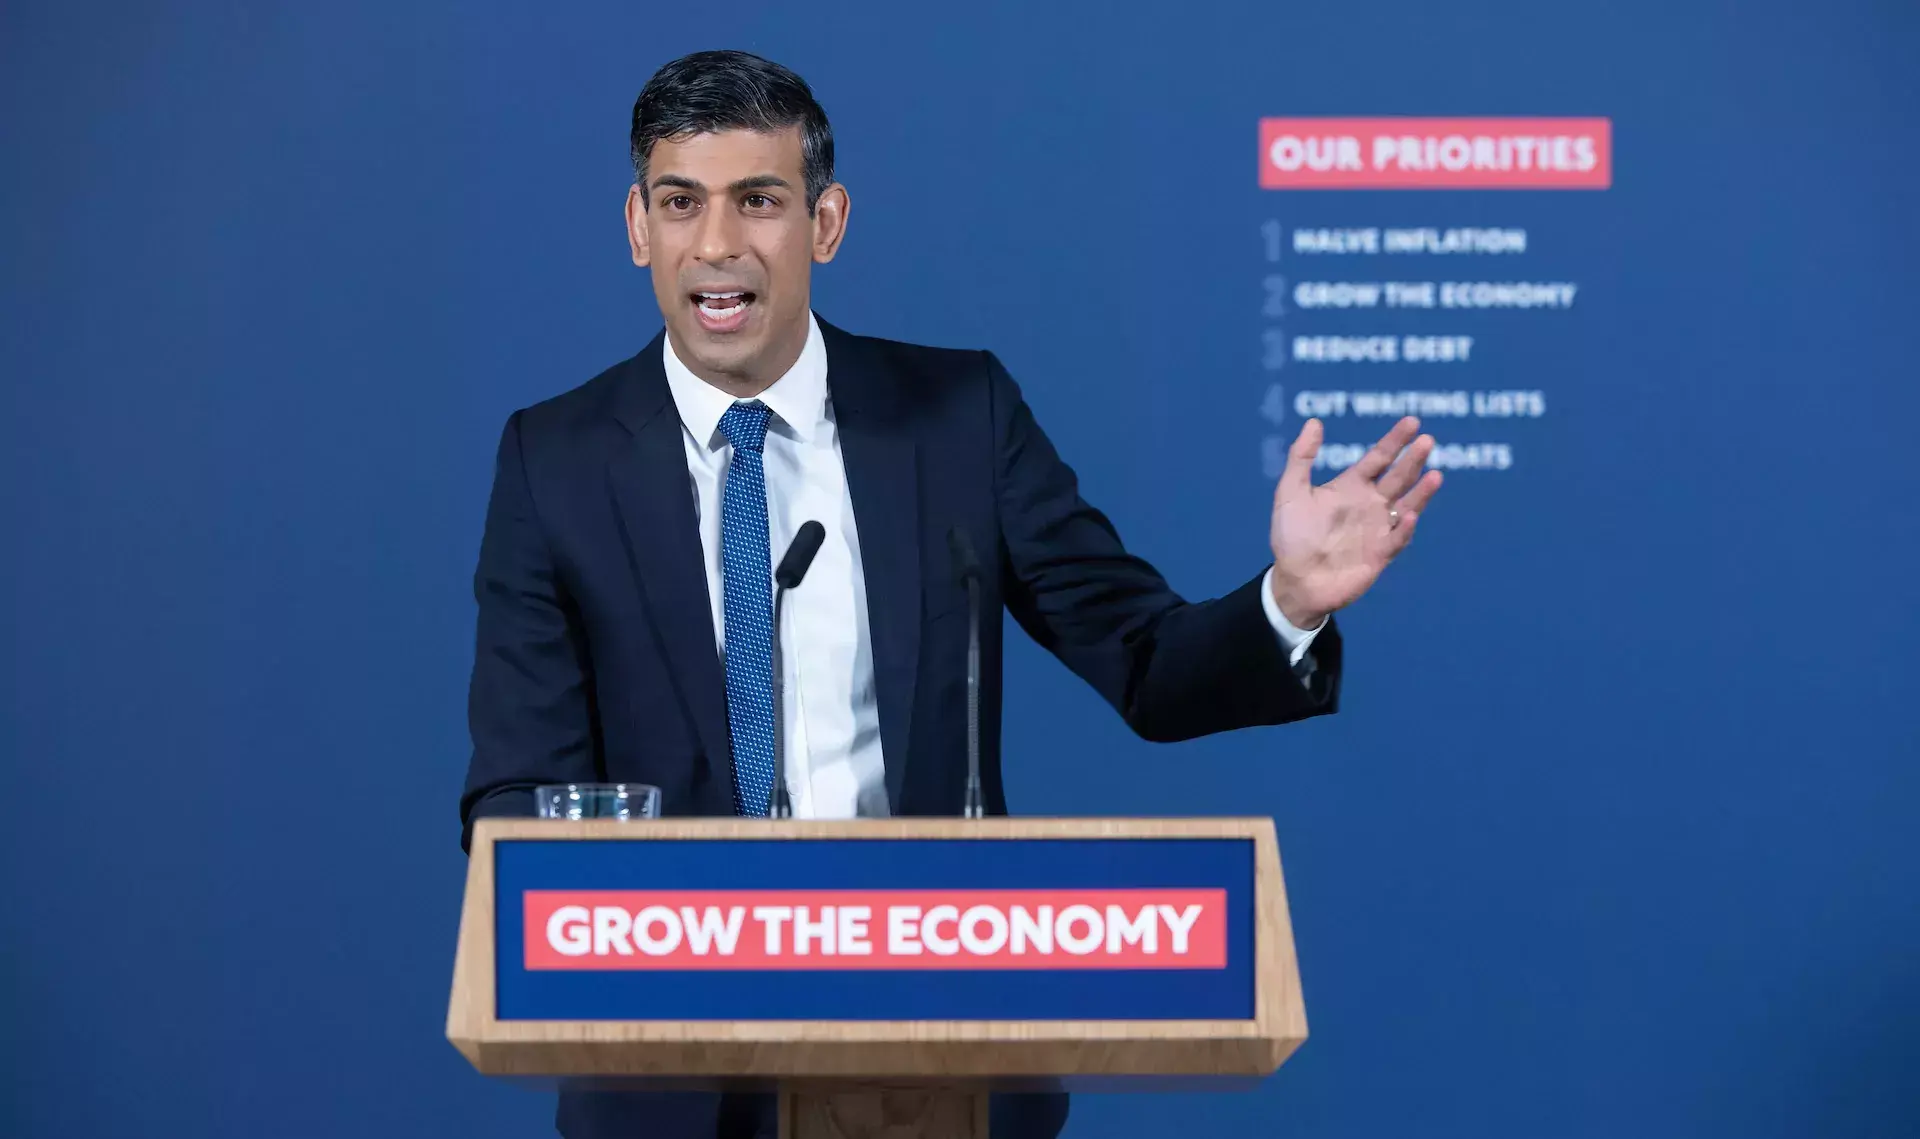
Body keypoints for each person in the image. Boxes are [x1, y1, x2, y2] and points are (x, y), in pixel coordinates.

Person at [460, 48, 1441, 1139]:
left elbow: (1147, 662)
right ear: (639, 226)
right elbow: (517, 794)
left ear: (825, 222)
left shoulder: (957, 415)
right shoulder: (554, 459)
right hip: (671, 1079)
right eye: (681, 203)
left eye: (760, 201)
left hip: (940, 1048)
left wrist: (1289, 601)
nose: (718, 245)